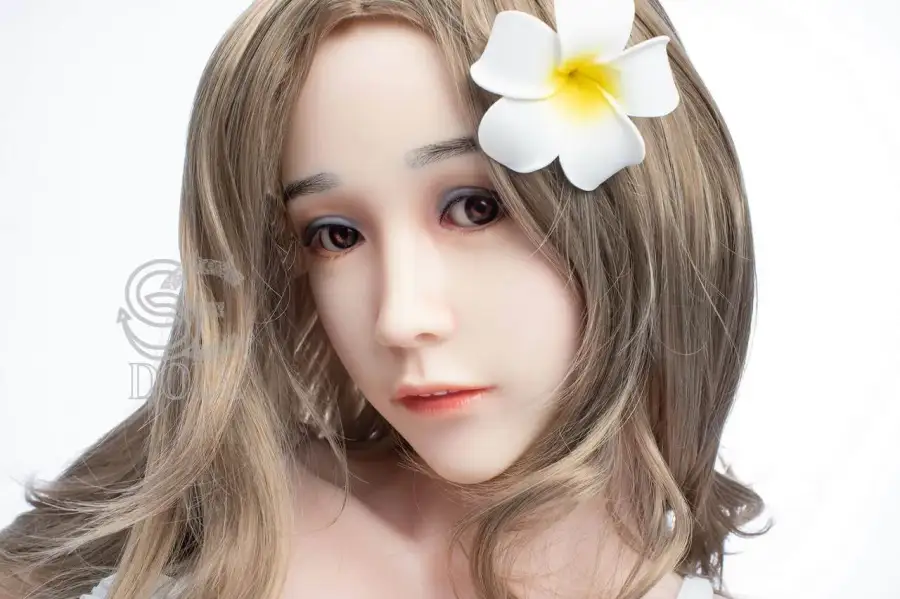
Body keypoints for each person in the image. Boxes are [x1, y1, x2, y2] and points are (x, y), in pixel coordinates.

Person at [0, 0, 768, 597]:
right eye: (335, 234)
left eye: (475, 207)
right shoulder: (214, 546)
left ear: (637, 215)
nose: (400, 317)